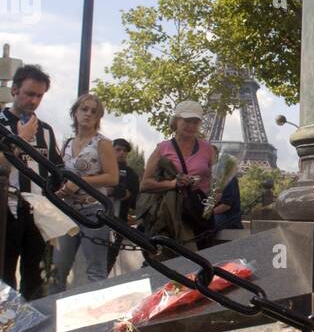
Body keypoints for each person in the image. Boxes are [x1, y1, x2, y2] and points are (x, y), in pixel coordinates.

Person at [0, 64, 61, 298]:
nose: (34, 100)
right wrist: (20, 140)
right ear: (14, 90)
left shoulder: (45, 129)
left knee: (36, 274)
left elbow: (56, 168)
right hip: (6, 207)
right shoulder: (2, 124)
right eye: (29, 93)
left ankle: (35, 327)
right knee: (5, 273)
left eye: (39, 95)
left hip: (38, 209)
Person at [52, 94, 119, 290]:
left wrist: (82, 181)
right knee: (57, 270)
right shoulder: (67, 142)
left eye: (94, 111)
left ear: (99, 117)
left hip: (93, 209)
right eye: (84, 109)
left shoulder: (102, 143)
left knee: (95, 270)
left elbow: (113, 177)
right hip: (67, 210)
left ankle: (99, 316)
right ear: (75, 112)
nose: (88, 114)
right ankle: (52, 315)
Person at [140, 100, 217, 247]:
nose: (191, 126)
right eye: (187, 121)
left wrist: (216, 193)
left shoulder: (208, 149)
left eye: (195, 122)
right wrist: (173, 184)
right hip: (171, 214)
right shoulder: (163, 148)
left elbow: (217, 180)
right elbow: (145, 185)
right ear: (176, 121)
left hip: (199, 214)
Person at [106, 139, 140, 273]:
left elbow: (136, 202)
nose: (122, 153)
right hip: (95, 218)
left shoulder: (131, 174)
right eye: (118, 149)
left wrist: (125, 194)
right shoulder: (101, 168)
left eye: (125, 151)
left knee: (109, 260)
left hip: (118, 221)